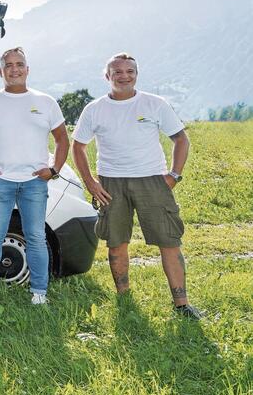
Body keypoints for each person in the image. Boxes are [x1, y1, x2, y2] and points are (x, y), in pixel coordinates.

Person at [71, 53, 203, 319]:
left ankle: (182, 304)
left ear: (136, 75)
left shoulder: (155, 104)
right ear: (107, 77)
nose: (124, 76)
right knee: (116, 242)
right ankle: (124, 297)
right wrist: (91, 182)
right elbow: (78, 146)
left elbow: (181, 139)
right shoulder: (95, 108)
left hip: (153, 180)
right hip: (111, 182)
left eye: (129, 71)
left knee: (169, 240)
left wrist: (174, 175)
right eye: (117, 72)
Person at [0, 48, 68, 305]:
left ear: (27, 69)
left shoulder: (45, 102)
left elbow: (62, 139)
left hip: (34, 181)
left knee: (36, 236)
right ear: (1, 71)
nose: (14, 69)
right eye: (9, 65)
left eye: (19, 64)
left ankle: (39, 293)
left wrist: (54, 169)